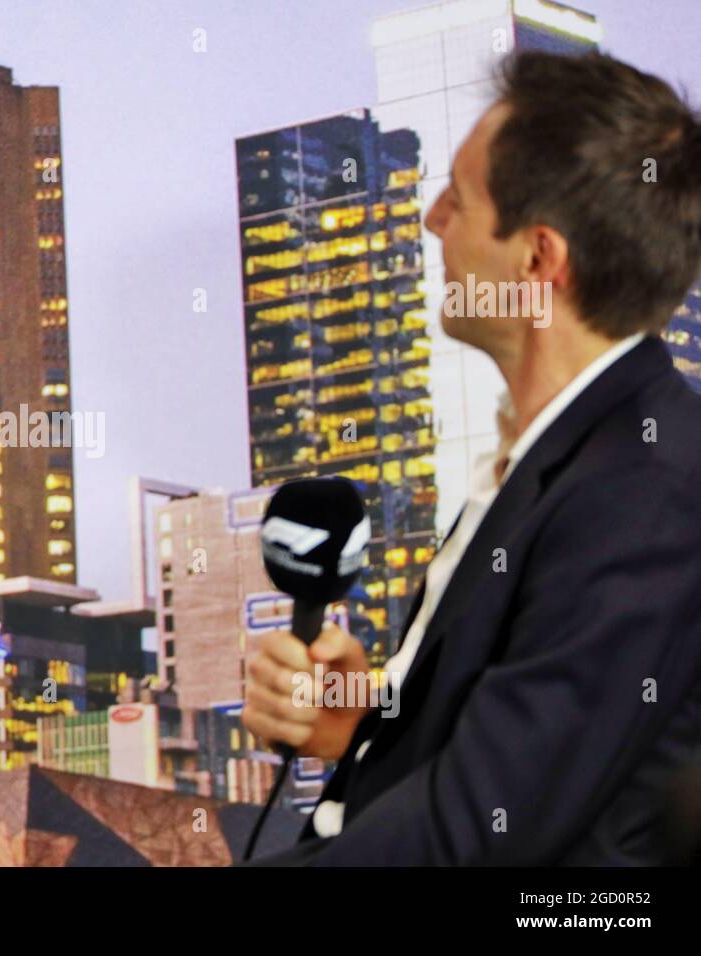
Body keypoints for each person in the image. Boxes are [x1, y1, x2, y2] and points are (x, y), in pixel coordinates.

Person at [242, 50, 701, 865]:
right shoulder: (562, 459)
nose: (431, 220)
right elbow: (508, 764)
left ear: (536, 261)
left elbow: (475, 834)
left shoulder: (641, 493)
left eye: (459, 197)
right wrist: (365, 726)